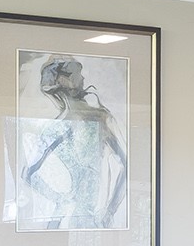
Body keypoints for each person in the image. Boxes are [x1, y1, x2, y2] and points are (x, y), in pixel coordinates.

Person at [19, 55, 128, 230]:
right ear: (64, 80)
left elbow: (27, 173)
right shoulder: (94, 119)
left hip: (79, 220)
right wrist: (108, 210)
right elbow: (27, 173)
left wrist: (109, 210)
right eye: (77, 73)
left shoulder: (97, 119)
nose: (83, 78)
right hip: (74, 220)